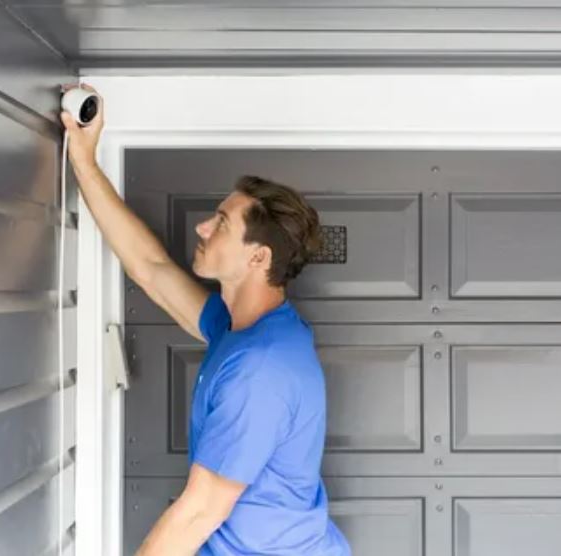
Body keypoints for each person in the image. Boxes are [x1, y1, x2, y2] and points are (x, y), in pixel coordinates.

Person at [60, 84, 351, 556]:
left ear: (258, 257)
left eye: (220, 223)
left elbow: (199, 512)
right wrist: (84, 162)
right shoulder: (242, 327)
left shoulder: (261, 370)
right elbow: (152, 271)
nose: (201, 227)